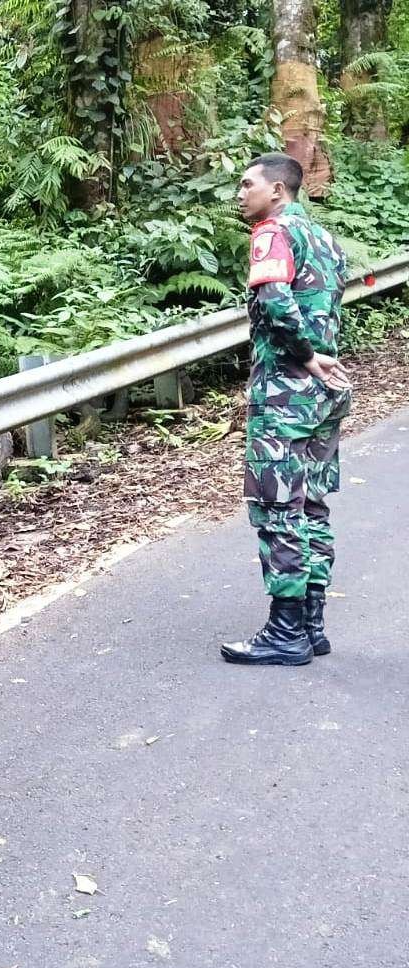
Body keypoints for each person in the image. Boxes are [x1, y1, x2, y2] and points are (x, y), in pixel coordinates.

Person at [221, 153, 352, 666]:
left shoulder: (271, 233)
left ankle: (285, 632)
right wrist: (319, 358)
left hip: (287, 390)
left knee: (280, 509)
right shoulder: (325, 240)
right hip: (327, 390)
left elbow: (275, 302)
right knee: (313, 506)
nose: (240, 192)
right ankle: (312, 625)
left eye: (247, 183)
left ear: (278, 191)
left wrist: (302, 356)